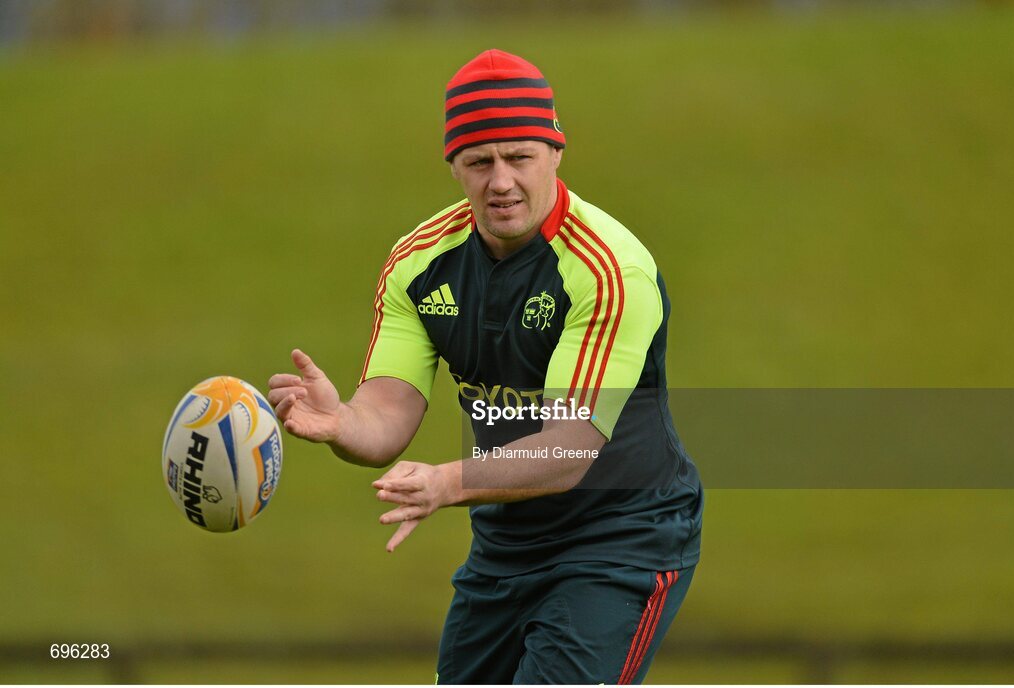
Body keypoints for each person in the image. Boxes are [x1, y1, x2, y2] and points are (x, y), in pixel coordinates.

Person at [268, 49, 703, 684]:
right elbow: (387, 413)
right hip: (506, 545)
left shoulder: (610, 270)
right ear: (454, 167)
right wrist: (342, 423)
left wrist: (446, 483)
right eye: (479, 162)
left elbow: (569, 447)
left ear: (556, 153)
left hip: (622, 539)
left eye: (519, 157)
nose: (500, 181)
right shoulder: (419, 264)